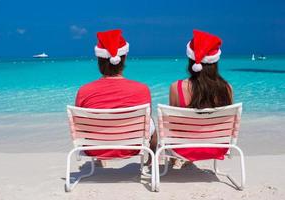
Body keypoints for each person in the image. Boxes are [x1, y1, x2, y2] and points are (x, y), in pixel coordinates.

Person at [75, 29, 156, 162]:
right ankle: (151, 162)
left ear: (99, 60)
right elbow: (146, 124)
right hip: (132, 147)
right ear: (123, 59)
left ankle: (100, 160)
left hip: (94, 149)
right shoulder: (142, 89)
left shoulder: (84, 91)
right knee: (151, 120)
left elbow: (80, 125)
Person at [169, 30, 233, 168]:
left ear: (190, 59)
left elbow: (172, 125)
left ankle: (174, 160)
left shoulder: (177, 87)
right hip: (217, 147)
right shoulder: (227, 89)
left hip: (183, 149)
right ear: (215, 61)